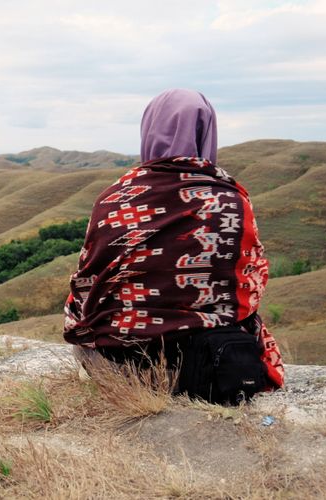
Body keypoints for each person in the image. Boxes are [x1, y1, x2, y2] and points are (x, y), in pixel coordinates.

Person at [63, 89, 284, 402]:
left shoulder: (112, 200)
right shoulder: (232, 201)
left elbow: (85, 289)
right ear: (207, 133)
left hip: (117, 371)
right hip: (212, 370)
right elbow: (251, 287)